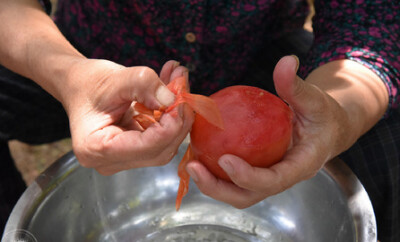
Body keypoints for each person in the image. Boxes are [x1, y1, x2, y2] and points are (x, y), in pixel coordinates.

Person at [0, 0, 398, 241]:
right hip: (87, 55)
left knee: (388, 143)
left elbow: (367, 21)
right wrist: (68, 74)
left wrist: (337, 115)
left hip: (257, 62)